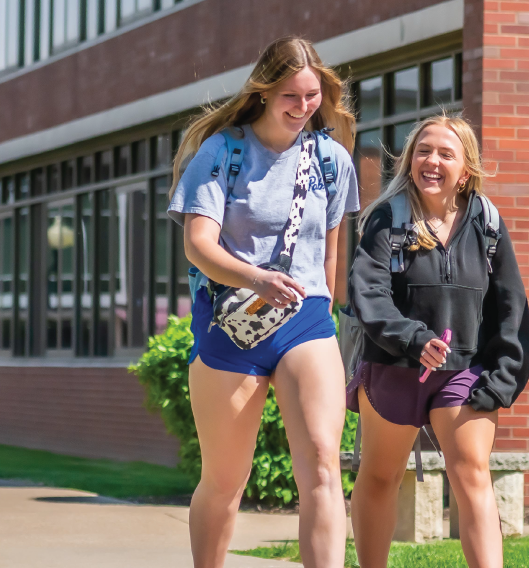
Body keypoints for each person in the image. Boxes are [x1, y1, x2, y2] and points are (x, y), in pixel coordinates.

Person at [167, 36, 358, 568]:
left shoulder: (330, 159)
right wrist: (256, 280)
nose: (302, 108)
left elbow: (329, 260)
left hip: (307, 321)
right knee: (226, 480)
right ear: (264, 91)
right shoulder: (223, 152)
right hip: (232, 324)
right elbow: (198, 245)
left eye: (312, 96)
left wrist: (326, 316)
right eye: (291, 97)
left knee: (322, 462)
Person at [346, 115, 529, 568]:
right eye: (423, 151)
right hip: (394, 368)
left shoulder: (486, 223)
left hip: (465, 374)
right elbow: (367, 292)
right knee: (379, 477)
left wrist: (503, 377)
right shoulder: (387, 220)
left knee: (472, 473)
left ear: (465, 169)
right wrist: (413, 339)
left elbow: (512, 307)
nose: (431, 161)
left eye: (445, 154)